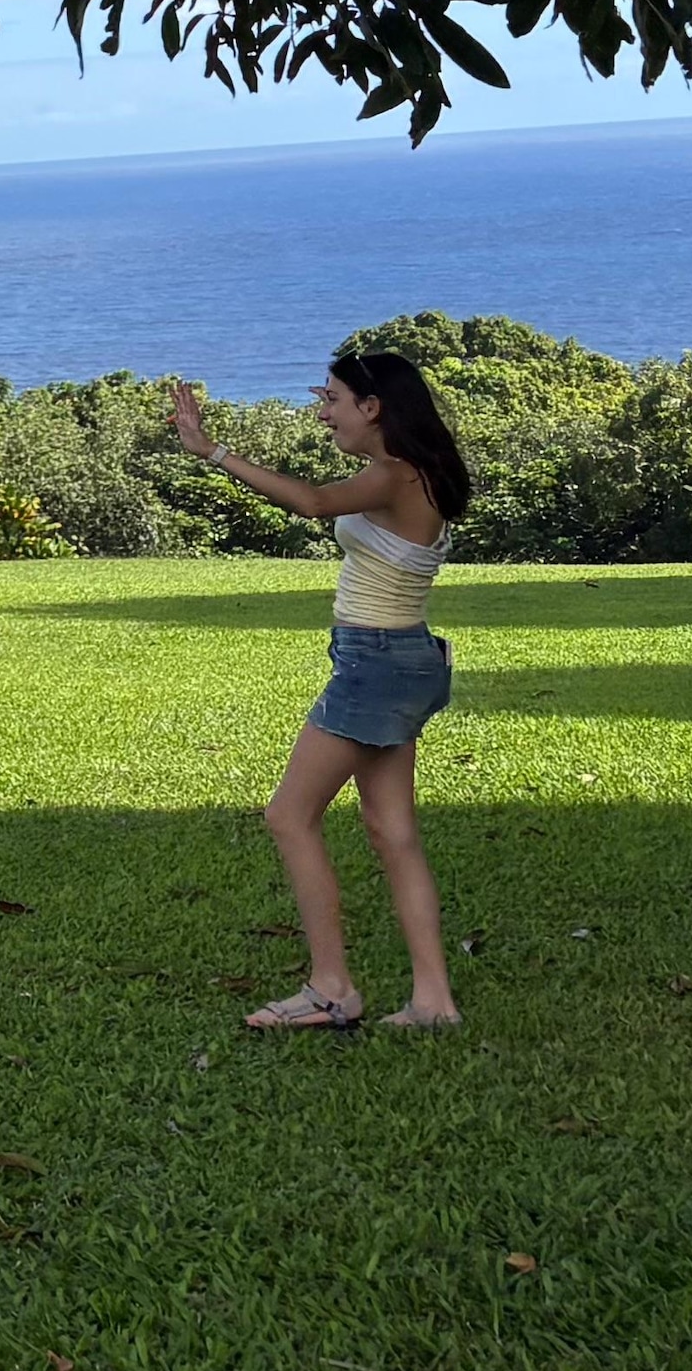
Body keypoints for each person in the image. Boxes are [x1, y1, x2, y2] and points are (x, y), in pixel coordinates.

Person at [167, 350, 477, 1034]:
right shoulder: (411, 472)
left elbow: (310, 503)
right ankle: (433, 1002)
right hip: (403, 657)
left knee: (289, 816)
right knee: (391, 831)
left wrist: (212, 451)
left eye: (334, 398)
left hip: (376, 662)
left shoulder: (395, 475)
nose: (322, 410)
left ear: (374, 407)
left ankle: (331, 988)